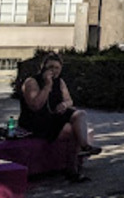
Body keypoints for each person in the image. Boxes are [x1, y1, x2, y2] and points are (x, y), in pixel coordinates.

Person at [19, 52, 101, 183]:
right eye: (50, 67)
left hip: (54, 118)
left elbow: (70, 101)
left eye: (57, 68)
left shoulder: (60, 82)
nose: (54, 71)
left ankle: (84, 146)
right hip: (36, 122)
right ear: (43, 67)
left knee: (80, 114)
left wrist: (64, 104)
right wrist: (47, 86)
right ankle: (73, 170)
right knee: (71, 130)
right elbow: (35, 105)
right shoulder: (32, 82)